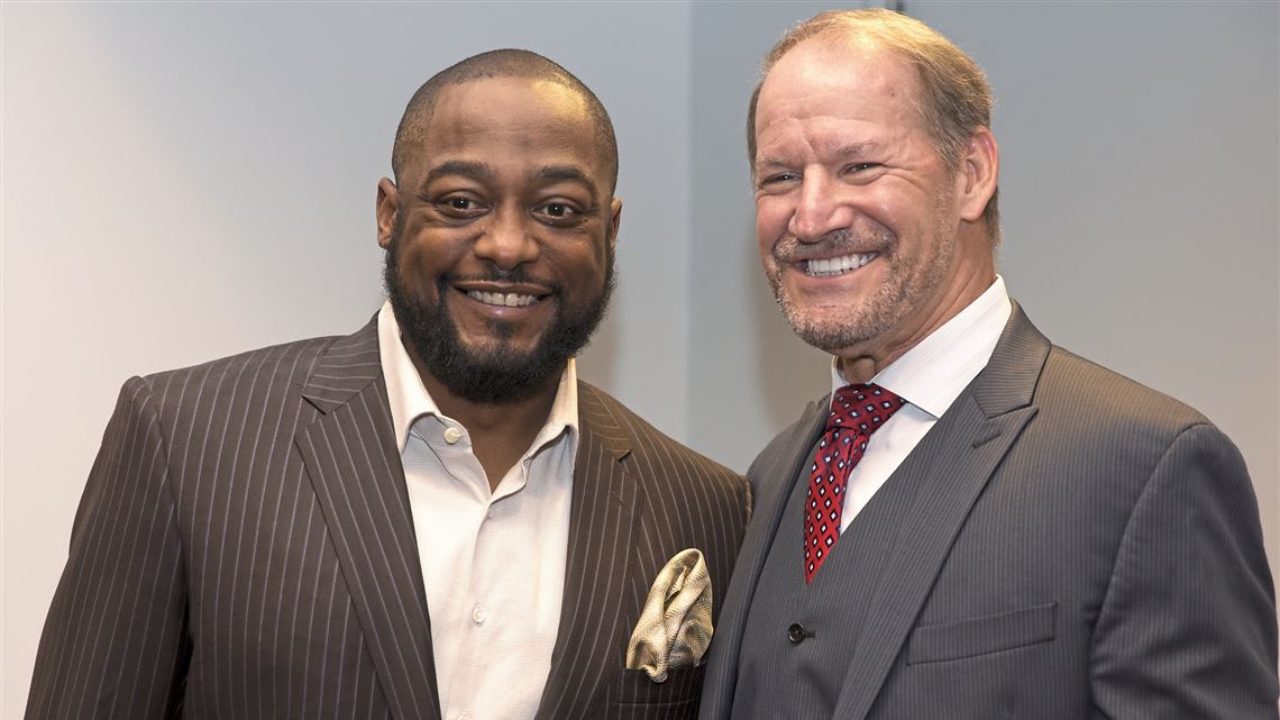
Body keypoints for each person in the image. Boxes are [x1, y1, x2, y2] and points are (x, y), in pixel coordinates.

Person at [27, 49, 749, 720]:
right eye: (461, 201)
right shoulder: (186, 441)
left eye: (557, 209)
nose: (507, 245)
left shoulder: (703, 506)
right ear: (388, 213)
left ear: (609, 231)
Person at [699, 9, 1277, 719]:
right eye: (780, 177)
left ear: (972, 175)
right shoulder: (770, 478)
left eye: (860, 165)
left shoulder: (1145, 470)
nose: (812, 216)